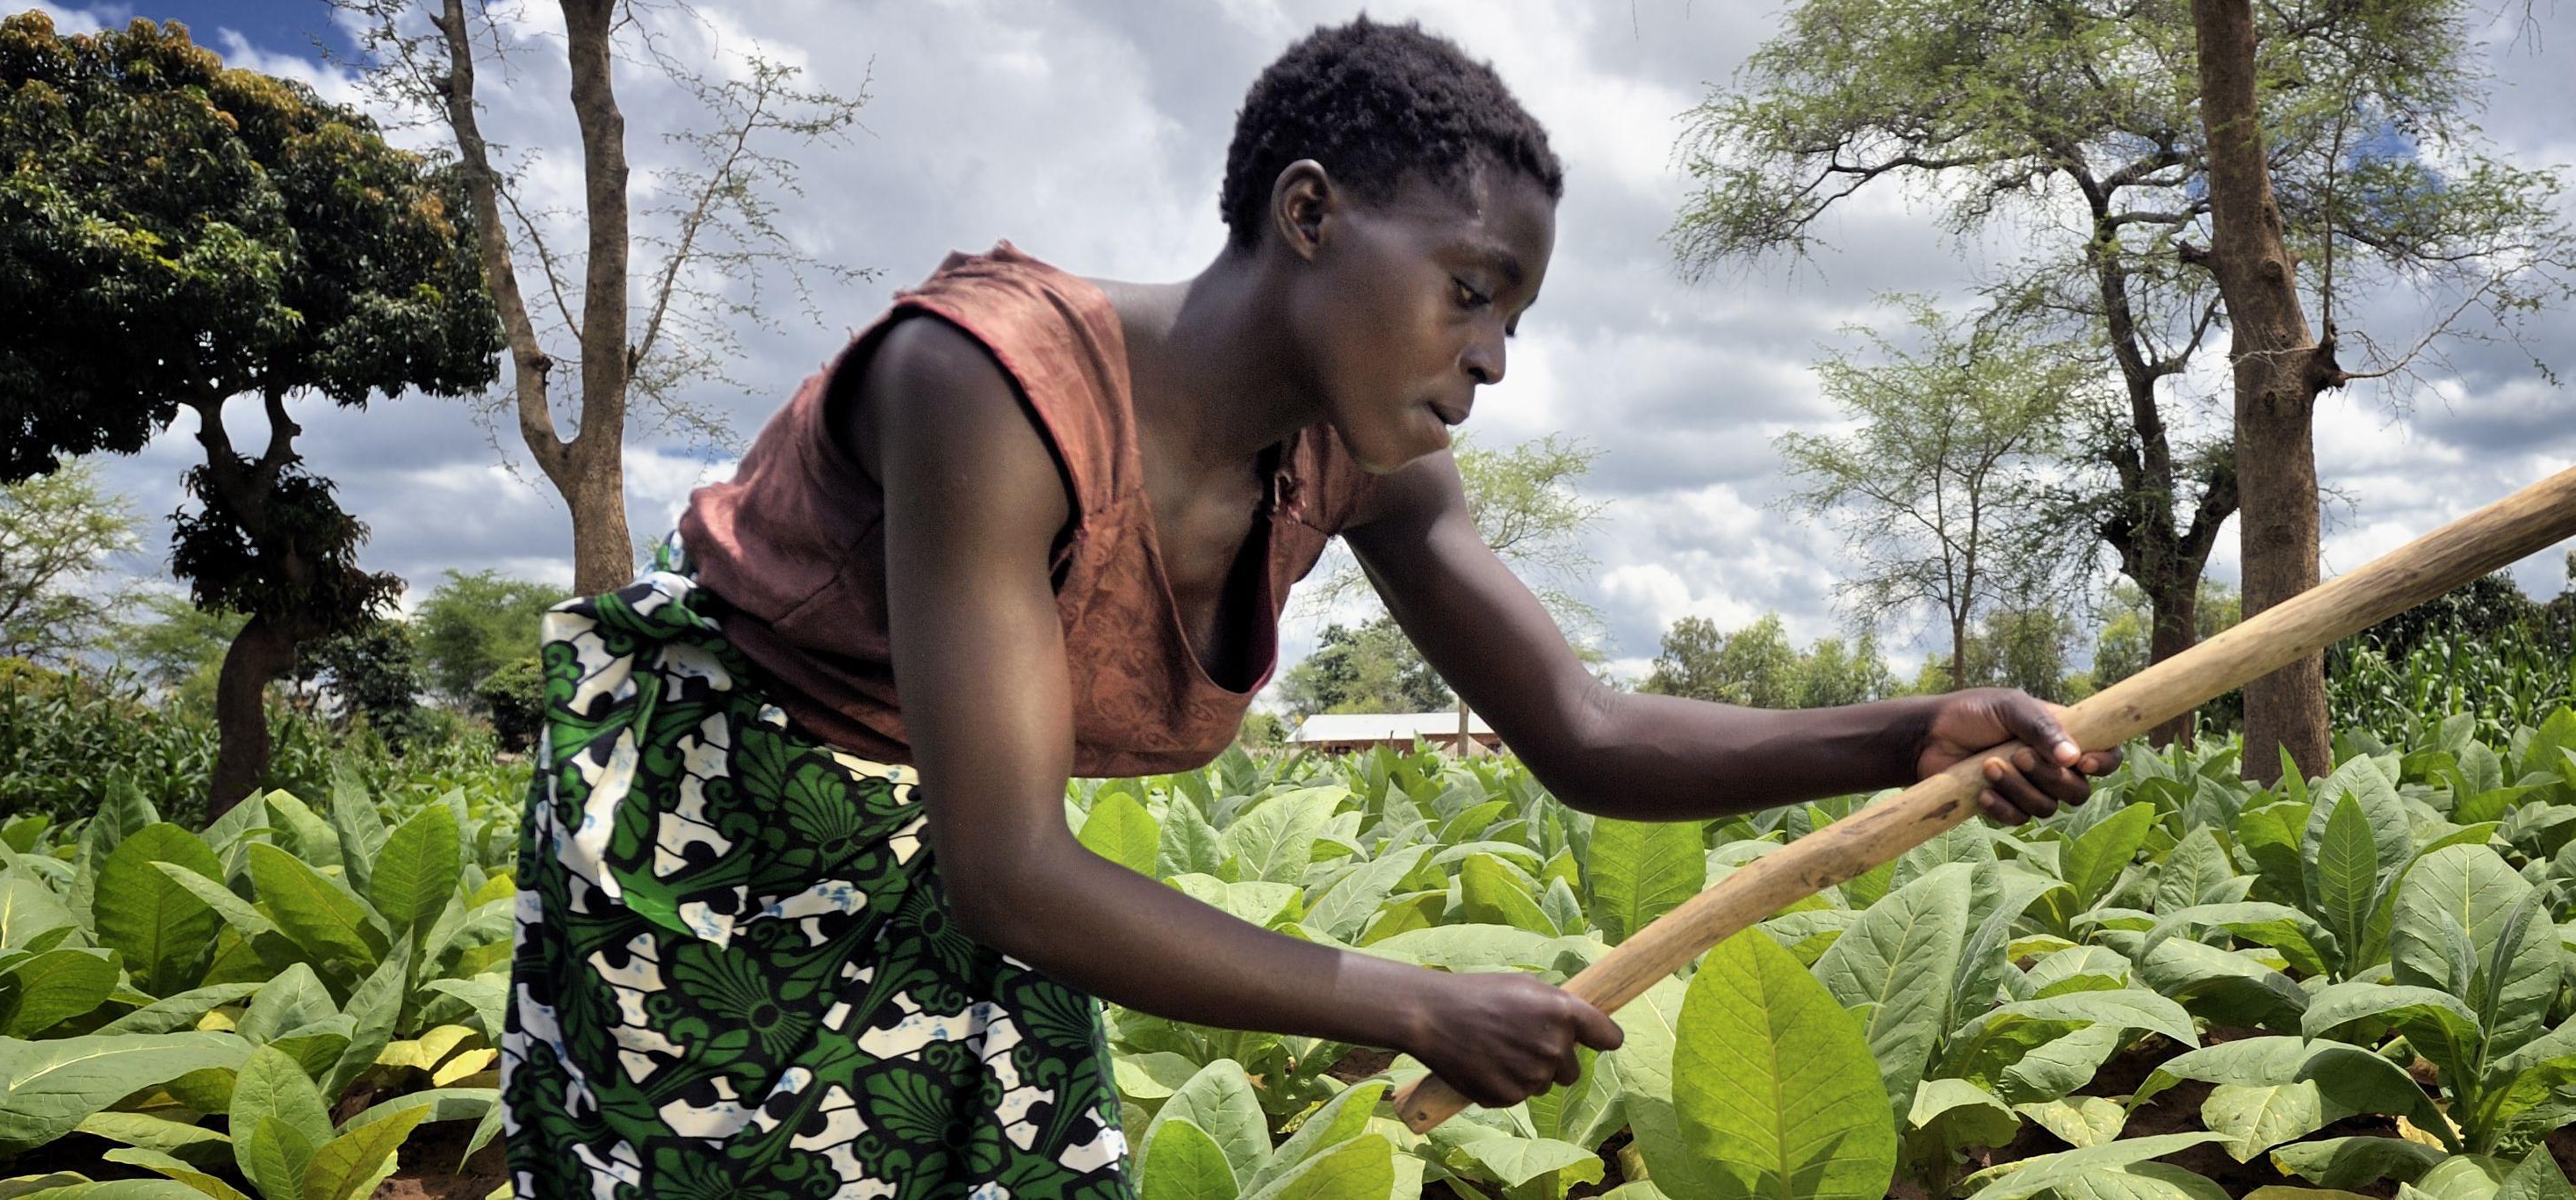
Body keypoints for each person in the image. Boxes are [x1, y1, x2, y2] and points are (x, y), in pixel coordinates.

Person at [496, 16, 2116, 1199]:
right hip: (716, 856)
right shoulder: (988, 383)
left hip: (966, 868)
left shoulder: (1364, 462)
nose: (1493, 356)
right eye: (1470, 289)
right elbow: (1013, 870)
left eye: (1514, 316)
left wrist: (1912, 733)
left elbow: (1583, 729)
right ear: (1309, 212)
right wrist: (1416, 1002)